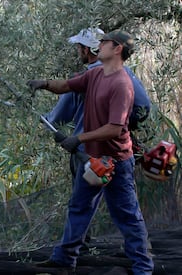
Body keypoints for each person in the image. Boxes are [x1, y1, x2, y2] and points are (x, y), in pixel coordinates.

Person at [27, 30, 154, 274]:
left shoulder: (122, 84)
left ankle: (143, 268)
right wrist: (43, 84)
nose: (100, 45)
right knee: (79, 207)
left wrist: (78, 138)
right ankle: (64, 258)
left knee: (127, 216)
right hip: (94, 162)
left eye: (105, 42)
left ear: (117, 49)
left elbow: (115, 129)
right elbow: (66, 86)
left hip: (116, 164)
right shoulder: (95, 74)